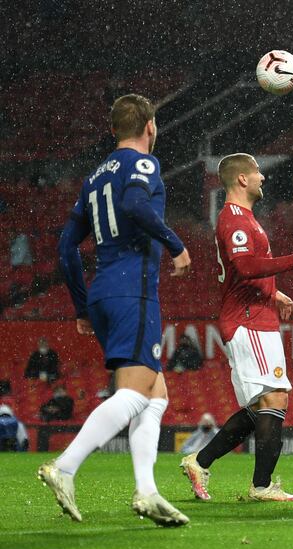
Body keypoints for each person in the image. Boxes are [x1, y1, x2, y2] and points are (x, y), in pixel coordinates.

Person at [40, 94, 192, 526]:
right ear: (150, 127)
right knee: (136, 393)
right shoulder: (144, 164)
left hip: (103, 290)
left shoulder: (93, 177)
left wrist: (81, 305)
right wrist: (175, 244)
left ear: (113, 130)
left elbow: (67, 248)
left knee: (155, 394)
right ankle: (64, 467)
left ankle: (147, 491)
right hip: (134, 291)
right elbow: (134, 205)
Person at [179, 153, 293, 503]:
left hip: (257, 316)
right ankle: (261, 486)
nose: (263, 177)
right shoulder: (233, 219)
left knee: (264, 404)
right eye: (258, 172)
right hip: (246, 321)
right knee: (274, 397)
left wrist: (274, 293)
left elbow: (241, 272)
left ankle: (200, 462)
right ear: (242, 179)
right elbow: (245, 267)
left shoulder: (247, 219)